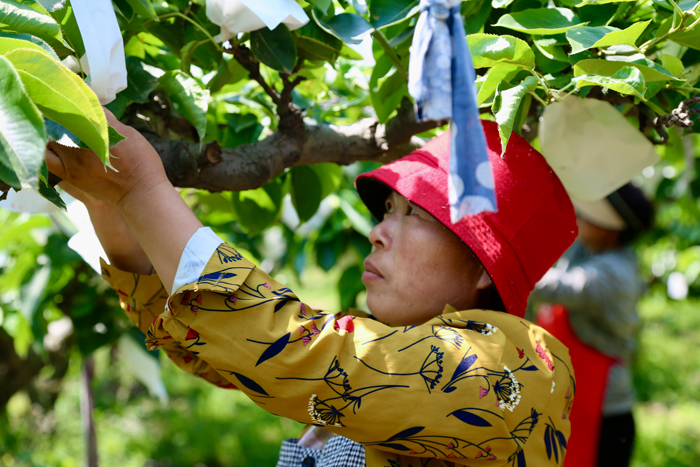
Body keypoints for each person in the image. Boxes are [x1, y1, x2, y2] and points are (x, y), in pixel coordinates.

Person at [45, 110, 578, 467]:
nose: (378, 230)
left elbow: (293, 353)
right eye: (387, 209)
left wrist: (140, 187)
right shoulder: (401, 346)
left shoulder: (517, 365)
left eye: (415, 214)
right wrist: (107, 199)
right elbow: (218, 348)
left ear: (485, 264)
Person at [529, 184, 654, 467]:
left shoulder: (614, 272)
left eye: (589, 216)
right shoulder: (589, 248)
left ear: (612, 228)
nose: (581, 219)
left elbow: (554, 287)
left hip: (602, 415)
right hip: (573, 403)